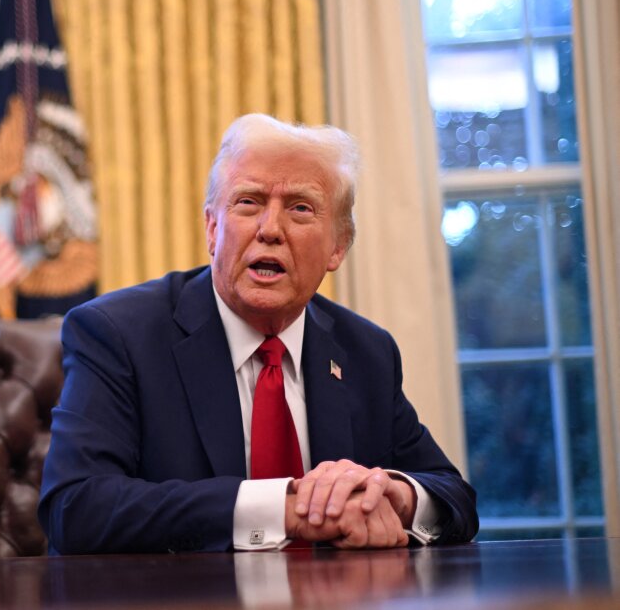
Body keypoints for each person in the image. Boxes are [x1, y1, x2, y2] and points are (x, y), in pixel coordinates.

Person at [38, 113, 478, 553]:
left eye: (300, 208)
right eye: (248, 202)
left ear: (338, 246)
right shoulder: (118, 334)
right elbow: (76, 507)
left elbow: (455, 498)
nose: (270, 230)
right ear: (213, 228)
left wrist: (392, 495)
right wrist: (289, 509)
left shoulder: (365, 351)